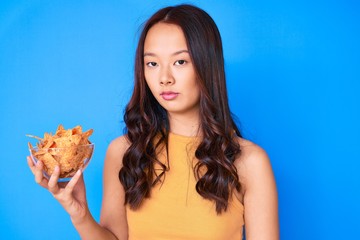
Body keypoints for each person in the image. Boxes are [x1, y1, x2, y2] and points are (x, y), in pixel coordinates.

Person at [27, 4, 279, 240]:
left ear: (206, 65)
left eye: (180, 61)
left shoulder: (249, 162)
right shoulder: (124, 152)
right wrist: (79, 213)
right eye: (152, 63)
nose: (164, 78)